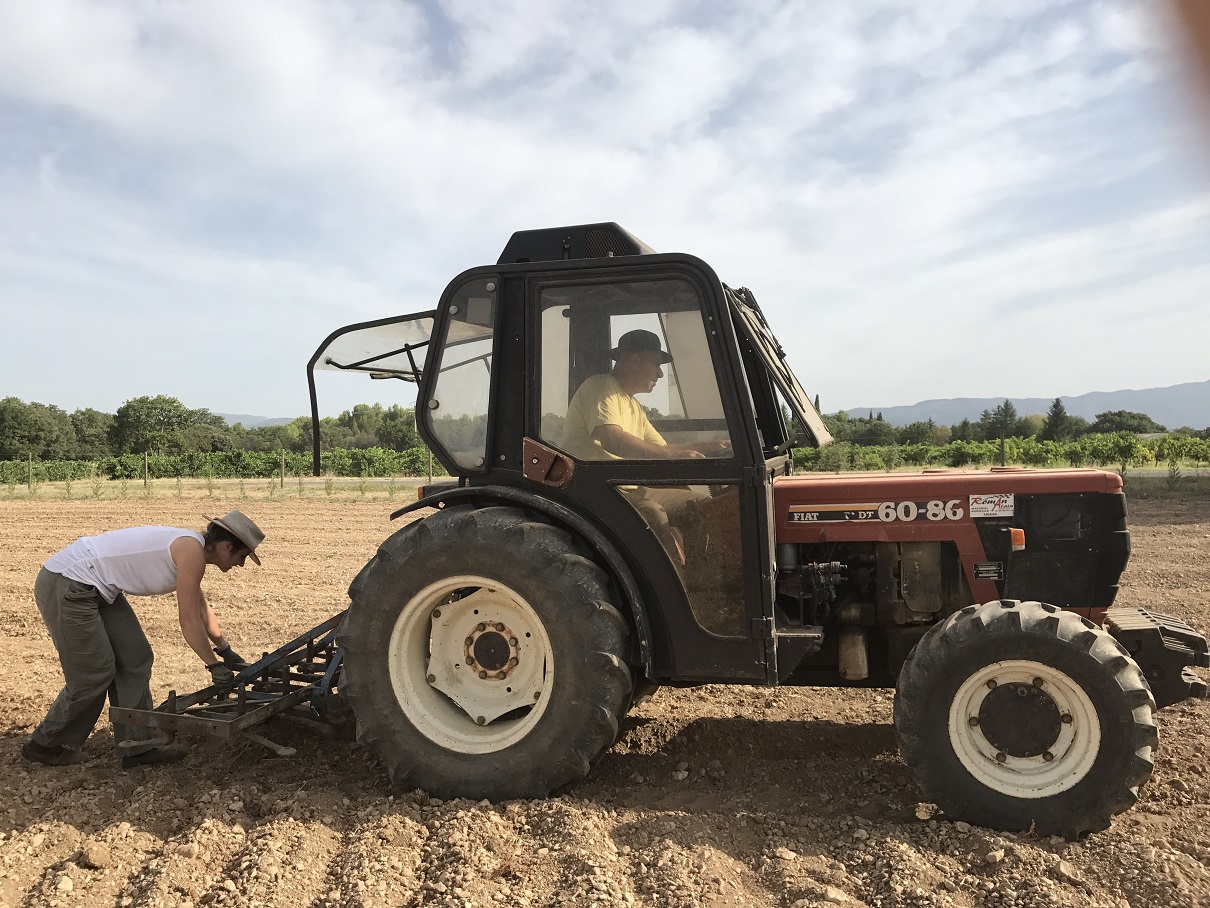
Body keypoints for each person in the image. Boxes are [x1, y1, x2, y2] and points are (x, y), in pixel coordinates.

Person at [21, 509, 265, 769]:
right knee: (93, 673)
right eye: (241, 556)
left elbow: (201, 609)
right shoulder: (191, 551)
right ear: (227, 547)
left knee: (136, 658)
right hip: (68, 582)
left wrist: (224, 649)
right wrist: (214, 665)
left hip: (100, 589)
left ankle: (136, 748)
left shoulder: (193, 551)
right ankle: (45, 745)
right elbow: (189, 621)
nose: (241, 564)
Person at [562, 329, 728, 564]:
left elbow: (663, 448)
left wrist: (711, 446)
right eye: (657, 364)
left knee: (700, 505)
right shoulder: (599, 388)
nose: (660, 374)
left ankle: (700, 578)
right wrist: (677, 456)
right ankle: (671, 592)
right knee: (652, 514)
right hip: (599, 492)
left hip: (626, 488)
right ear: (635, 361)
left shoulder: (633, 405)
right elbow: (612, 439)